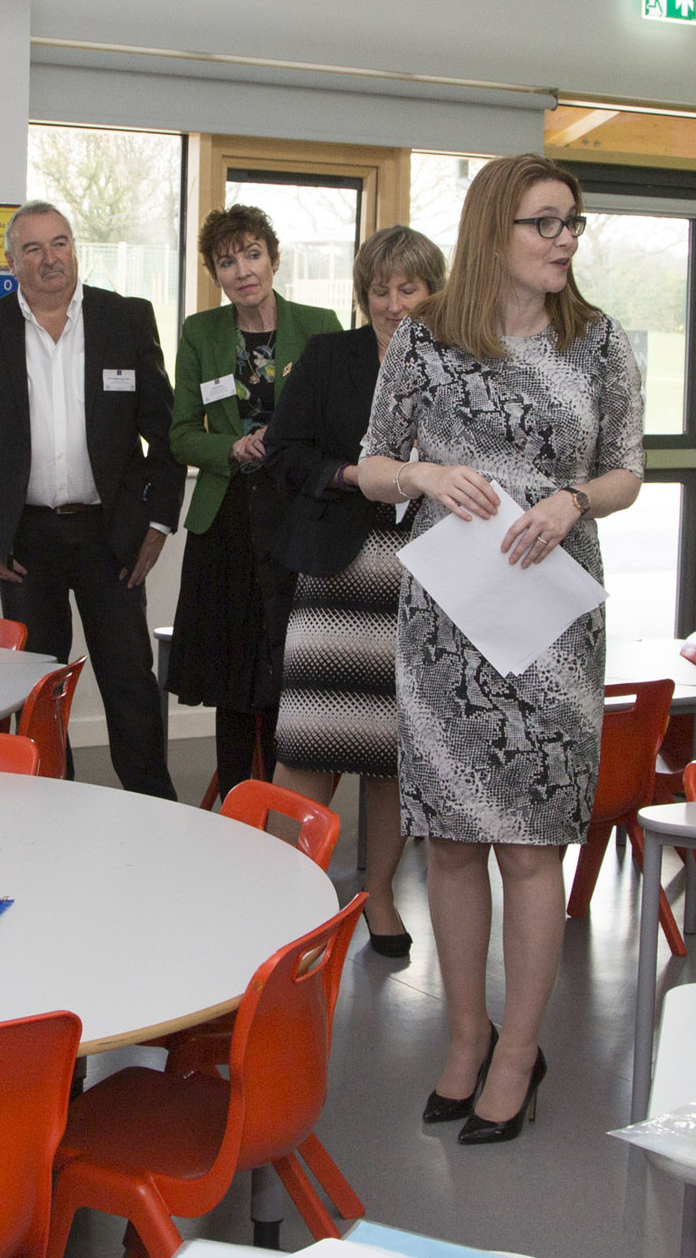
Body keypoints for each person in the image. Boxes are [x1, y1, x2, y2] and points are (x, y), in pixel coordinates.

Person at [357, 155, 642, 1144]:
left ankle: (517, 1053)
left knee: (527, 846)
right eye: (544, 222)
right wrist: (426, 475)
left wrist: (571, 498)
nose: (564, 239)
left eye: (572, 222)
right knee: (449, 842)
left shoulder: (597, 340)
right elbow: (369, 464)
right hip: (446, 615)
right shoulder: (424, 342)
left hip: (552, 622)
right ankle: (462, 1037)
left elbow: (625, 470)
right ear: (494, 232)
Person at [0, 201, 182, 799]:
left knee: (129, 679)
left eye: (60, 243)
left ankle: (155, 811)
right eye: (33, 248)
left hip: (113, 537)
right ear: (10, 262)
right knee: (40, 687)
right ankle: (50, 803)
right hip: (24, 542)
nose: (50, 258)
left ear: (76, 249)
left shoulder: (125, 319)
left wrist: (157, 523)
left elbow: (168, 432)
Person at [267, 225, 443, 958]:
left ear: (435, 291)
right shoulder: (328, 357)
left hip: (426, 571)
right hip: (338, 567)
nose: (393, 303)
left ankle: (378, 897)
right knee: (311, 738)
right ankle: (276, 892)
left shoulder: (461, 362)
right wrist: (352, 476)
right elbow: (286, 451)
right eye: (379, 290)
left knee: (391, 751)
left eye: (408, 288)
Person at [169, 206, 342, 805]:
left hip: (298, 517)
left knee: (289, 667)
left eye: (251, 254)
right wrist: (232, 446)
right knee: (230, 674)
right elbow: (181, 433)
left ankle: (283, 805)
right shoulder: (201, 332)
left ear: (272, 257)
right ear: (215, 273)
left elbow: (338, 423)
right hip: (227, 522)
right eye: (226, 260)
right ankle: (236, 808)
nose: (242, 270)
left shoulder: (320, 326)